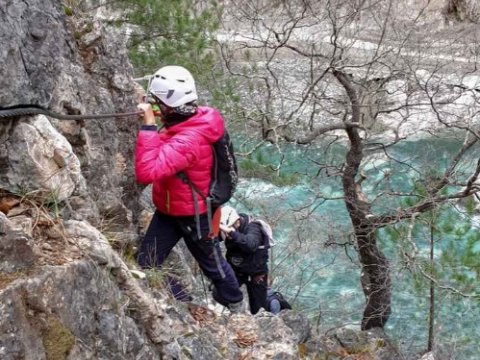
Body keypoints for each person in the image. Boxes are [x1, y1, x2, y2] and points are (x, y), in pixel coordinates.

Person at [135, 65, 244, 313]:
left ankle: (235, 302)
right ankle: (179, 299)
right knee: (146, 262)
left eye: (157, 102)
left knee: (211, 261)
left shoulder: (189, 140)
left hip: (192, 215)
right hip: (171, 209)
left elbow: (147, 171)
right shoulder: (194, 118)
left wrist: (149, 126)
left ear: (167, 106)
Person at [219, 205, 270, 314]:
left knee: (259, 309)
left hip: (257, 274)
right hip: (237, 271)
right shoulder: (226, 229)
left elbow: (251, 244)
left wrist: (232, 232)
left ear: (237, 221)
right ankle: (240, 312)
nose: (227, 235)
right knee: (219, 292)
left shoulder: (253, 227)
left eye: (231, 228)